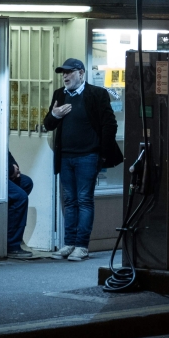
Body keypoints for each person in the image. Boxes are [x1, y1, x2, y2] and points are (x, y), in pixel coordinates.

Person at [43, 58, 123, 261]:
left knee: (84, 200)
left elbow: (110, 125)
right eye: (63, 73)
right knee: (70, 201)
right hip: (66, 157)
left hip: (88, 156)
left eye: (69, 72)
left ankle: (82, 246)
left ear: (81, 73)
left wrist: (102, 154)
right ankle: (69, 244)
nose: (65, 76)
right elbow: (48, 125)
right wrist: (55, 115)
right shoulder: (59, 95)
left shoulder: (96, 94)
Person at [7, 152, 34, 259]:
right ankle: (12, 245)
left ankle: (10, 232)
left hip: (3, 172)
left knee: (26, 182)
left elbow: (6, 152)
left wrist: (14, 167)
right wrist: (10, 169)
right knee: (20, 197)